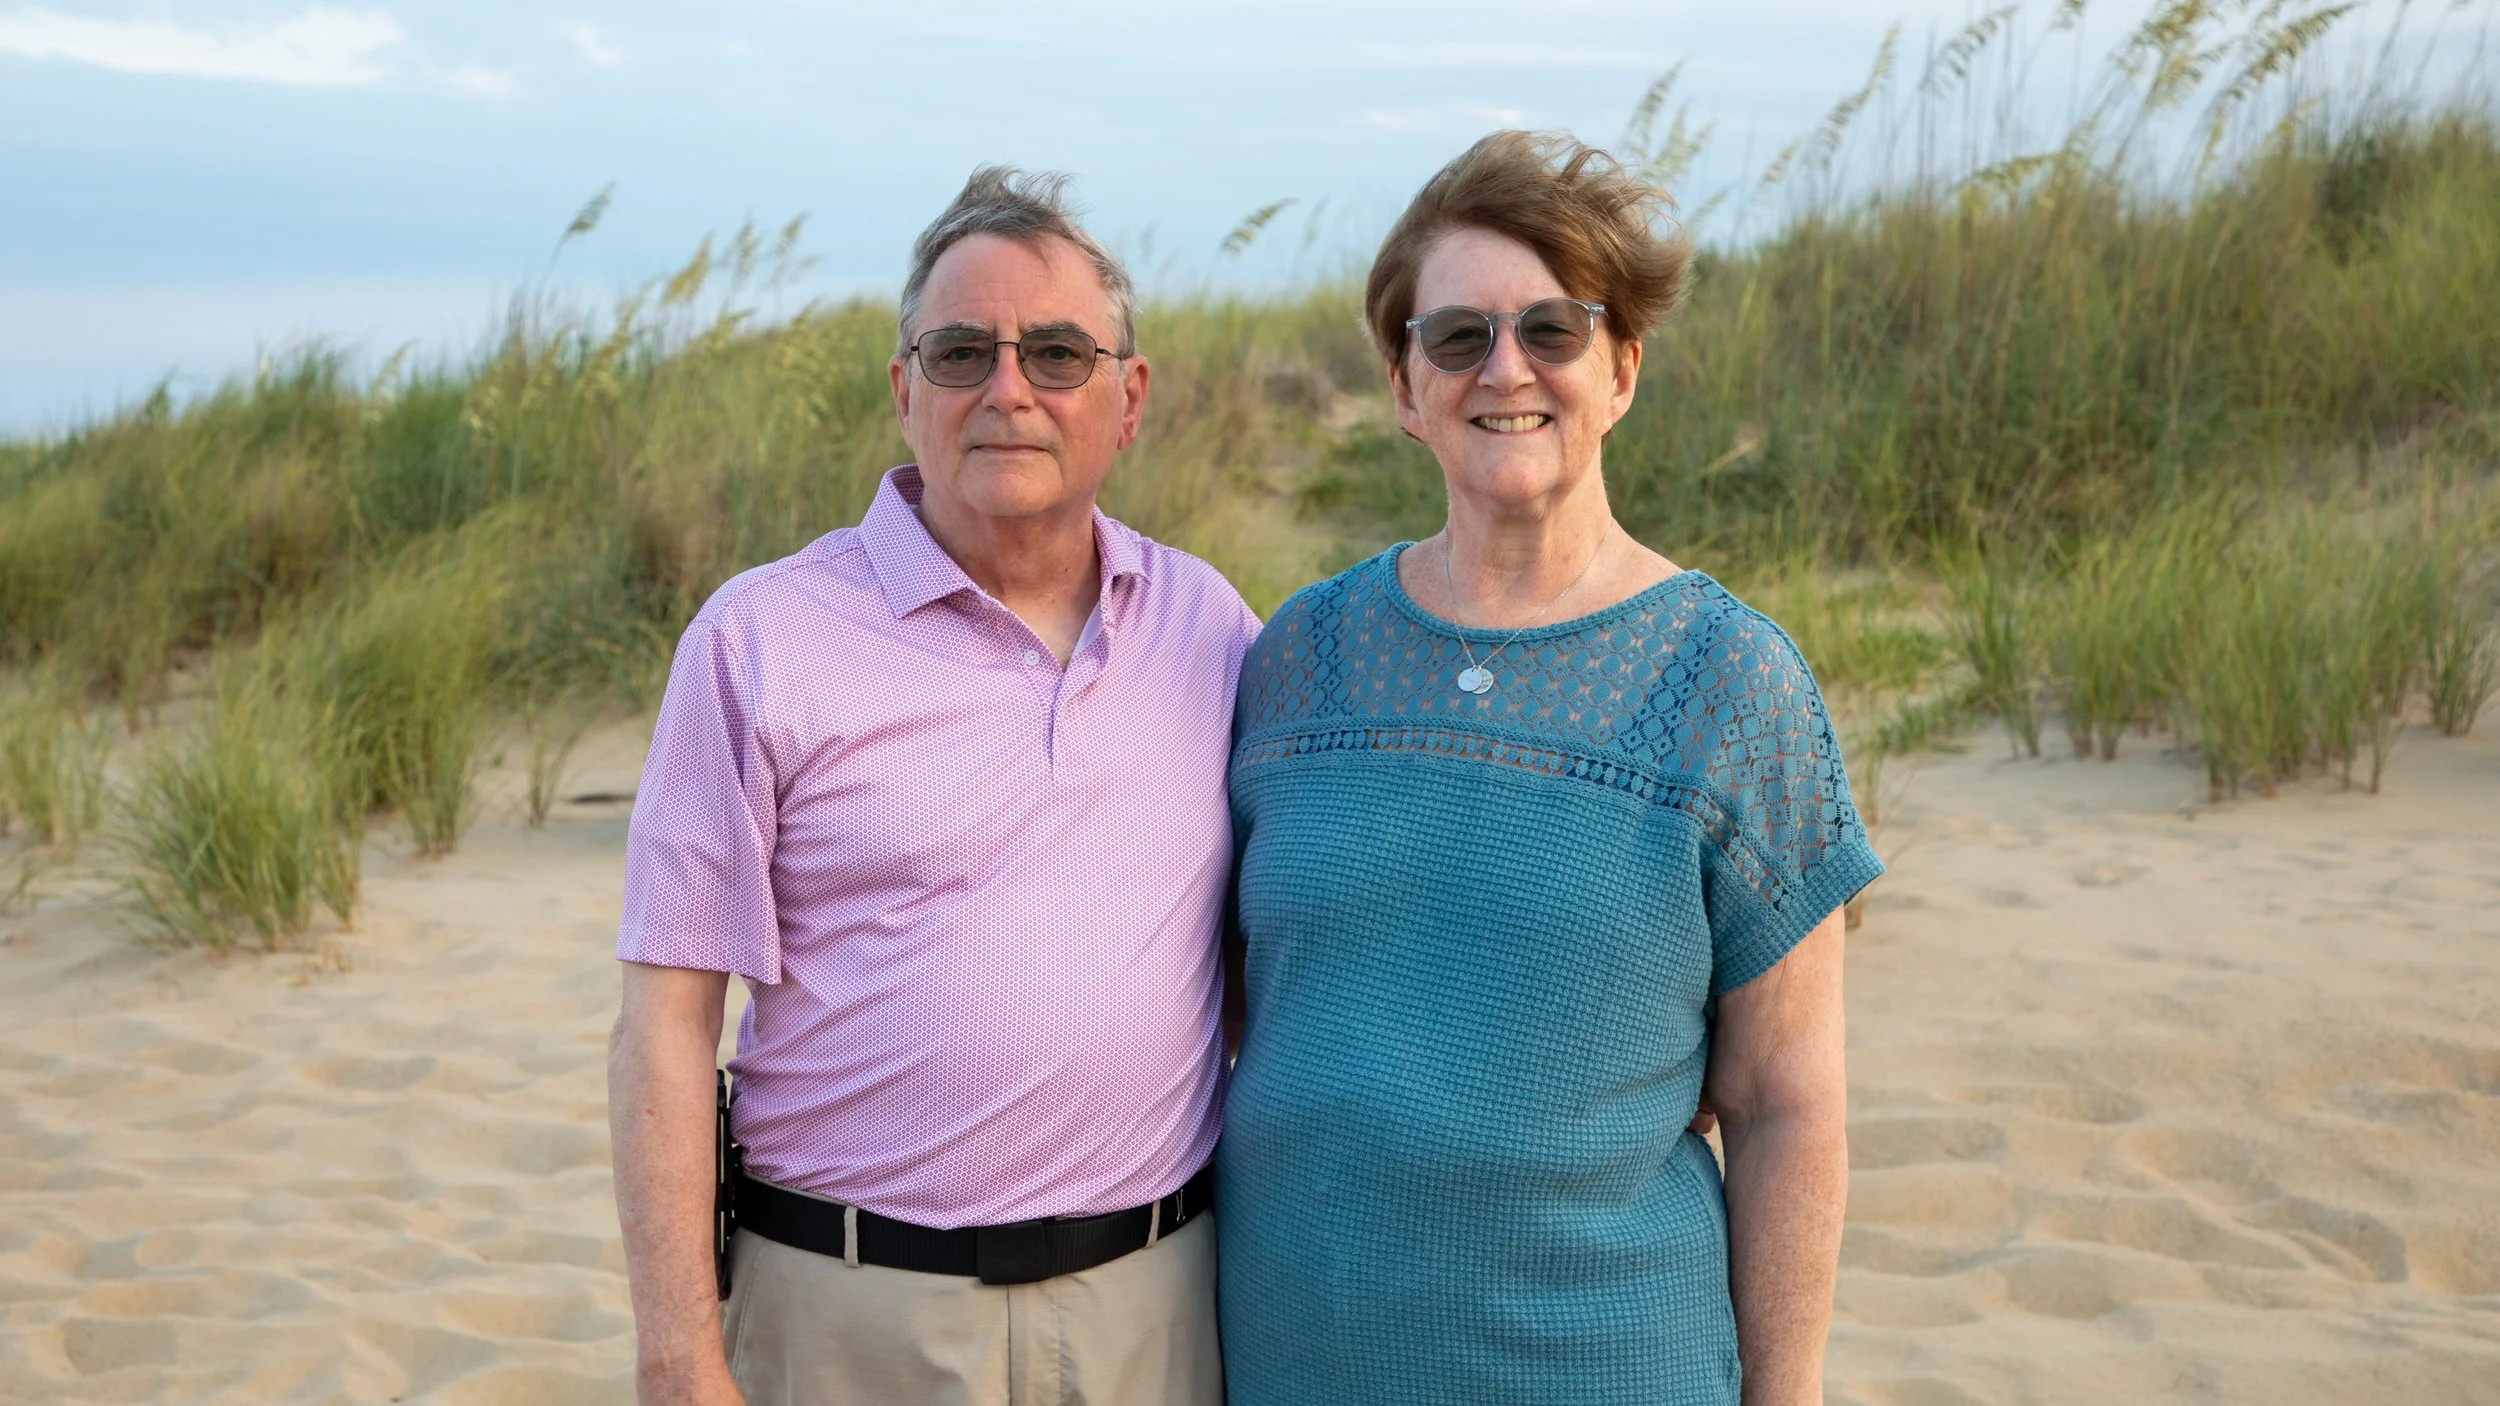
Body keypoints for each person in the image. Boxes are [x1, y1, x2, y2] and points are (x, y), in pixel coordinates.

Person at [1216, 130, 1878, 1406]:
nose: (1502, 368)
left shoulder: (1730, 678)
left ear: (1621, 366)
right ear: (1406, 386)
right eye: (1455, 336)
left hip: (1600, 1364)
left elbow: (1786, 1101)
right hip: (1292, 1361)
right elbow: (1253, 1000)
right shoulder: (1295, 651)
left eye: (1552, 330)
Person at [606, 166, 1254, 1406]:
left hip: (1153, 1312)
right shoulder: (758, 641)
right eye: (962, 352)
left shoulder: (1210, 628)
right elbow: (666, 1021)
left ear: (1129, 397)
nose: (1008, 389)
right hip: (847, 1314)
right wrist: (678, 1352)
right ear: (904, 392)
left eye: (1057, 353)